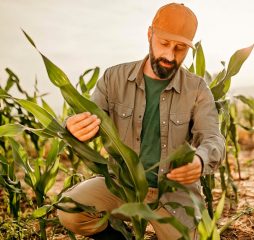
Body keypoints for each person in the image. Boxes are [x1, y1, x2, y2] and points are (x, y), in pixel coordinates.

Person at [57, 2, 225, 240]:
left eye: (180, 48)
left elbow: (212, 136)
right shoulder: (113, 78)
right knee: (70, 209)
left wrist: (200, 160)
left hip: (173, 196)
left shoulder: (197, 89)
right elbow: (92, 119)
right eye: (164, 44)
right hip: (122, 186)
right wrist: (73, 127)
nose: (169, 55)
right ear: (150, 34)